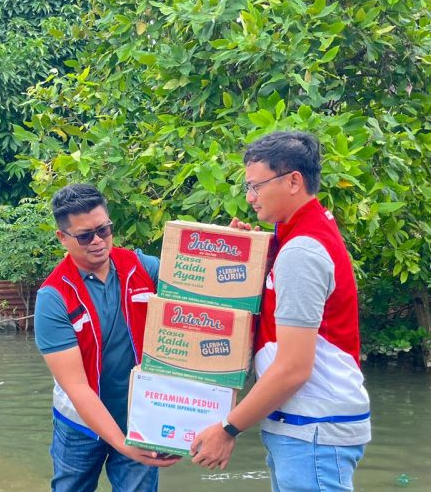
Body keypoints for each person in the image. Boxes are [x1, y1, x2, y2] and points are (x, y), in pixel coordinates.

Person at [190, 131, 371, 491]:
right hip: (308, 429)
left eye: (256, 186)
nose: (249, 197)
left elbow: (293, 368)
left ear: (293, 181)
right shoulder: (299, 234)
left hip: (313, 430)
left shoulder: (301, 251)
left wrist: (228, 428)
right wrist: (252, 256)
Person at [34, 183, 180, 492]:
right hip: (79, 424)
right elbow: (76, 386)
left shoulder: (141, 268)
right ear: (62, 237)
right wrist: (122, 444)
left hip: (138, 416)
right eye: (85, 236)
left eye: (104, 230)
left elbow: (199, 288)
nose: (98, 241)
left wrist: (231, 245)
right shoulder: (54, 297)